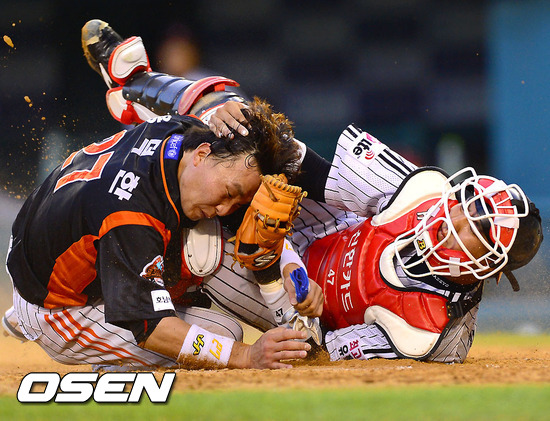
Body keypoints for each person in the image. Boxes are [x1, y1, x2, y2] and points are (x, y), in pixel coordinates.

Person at [5, 20, 543, 365]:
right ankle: (137, 84)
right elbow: (316, 170)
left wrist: (274, 271)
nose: (453, 224)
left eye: (473, 233)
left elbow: (317, 352)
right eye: (464, 209)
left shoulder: (429, 335)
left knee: (220, 305)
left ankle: (135, 88)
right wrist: (277, 238)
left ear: (488, 269)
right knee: (255, 132)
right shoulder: (421, 188)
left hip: (301, 307)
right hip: (312, 229)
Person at [3, 60, 320, 370]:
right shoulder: (131, 215)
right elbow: (152, 328)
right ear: (202, 154)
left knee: (204, 237)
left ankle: (117, 288)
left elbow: (196, 104)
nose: (225, 208)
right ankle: (94, 353)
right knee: (224, 337)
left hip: (59, 238)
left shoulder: (181, 130)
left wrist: (288, 264)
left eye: (237, 201)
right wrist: (246, 356)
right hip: (59, 306)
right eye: (229, 192)